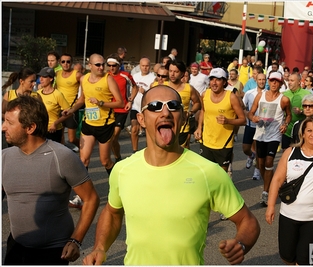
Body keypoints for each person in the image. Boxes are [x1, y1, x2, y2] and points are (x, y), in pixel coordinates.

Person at [82, 85, 260, 265]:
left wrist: (241, 244)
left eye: (173, 106)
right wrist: (100, 247)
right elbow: (112, 213)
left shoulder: (208, 172)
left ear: (182, 118)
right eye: (155, 106)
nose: (165, 112)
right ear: (141, 119)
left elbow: (248, 220)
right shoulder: (122, 170)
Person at [2, 95, 99, 265]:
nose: (3, 127)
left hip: (53, 252)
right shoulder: (4, 157)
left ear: (30, 128)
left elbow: (91, 199)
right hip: (16, 247)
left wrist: (76, 240)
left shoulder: (62, 157)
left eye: (9, 123)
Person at [265, 116, 313, 265]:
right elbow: (277, 180)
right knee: (286, 256)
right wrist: (270, 206)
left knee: (304, 258)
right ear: (303, 133)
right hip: (289, 213)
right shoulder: (290, 152)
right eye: (309, 131)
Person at [63, 53, 124, 208]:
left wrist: (102, 102)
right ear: (90, 65)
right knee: (83, 160)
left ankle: (119, 188)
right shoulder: (84, 79)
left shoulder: (108, 79)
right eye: (98, 65)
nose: (102, 67)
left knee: (105, 161)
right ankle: (81, 195)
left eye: (103, 64)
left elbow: (119, 102)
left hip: (105, 125)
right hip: (88, 124)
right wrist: (72, 110)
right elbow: (82, 99)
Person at [247, 72, 291, 206]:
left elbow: (288, 115)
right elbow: (250, 113)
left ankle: (266, 192)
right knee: (260, 164)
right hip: (260, 133)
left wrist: (285, 124)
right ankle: (269, 182)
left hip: (274, 135)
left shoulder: (284, 100)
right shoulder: (260, 96)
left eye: (276, 81)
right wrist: (253, 118)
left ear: (281, 83)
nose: (273, 83)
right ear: (268, 81)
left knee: (269, 161)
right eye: (272, 81)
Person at [194, 68, 246, 173]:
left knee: (221, 175)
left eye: (217, 79)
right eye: (212, 79)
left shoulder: (231, 97)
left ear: (224, 82)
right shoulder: (205, 94)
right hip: (206, 141)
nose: (214, 82)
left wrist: (228, 121)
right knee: (206, 173)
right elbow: (203, 111)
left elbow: (243, 120)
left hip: (224, 144)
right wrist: (199, 128)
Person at [106, 54, 137, 162]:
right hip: (109, 110)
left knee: (114, 137)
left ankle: (117, 160)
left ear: (118, 65)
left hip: (121, 110)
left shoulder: (125, 75)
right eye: (109, 65)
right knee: (111, 139)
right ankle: (117, 157)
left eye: (114, 65)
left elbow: (135, 87)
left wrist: (130, 100)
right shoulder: (106, 76)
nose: (111, 68)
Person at [164, 60, 201, 148]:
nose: (172, 74)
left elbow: (197, 103)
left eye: (176, 72)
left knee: (180, 154)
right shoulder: (162, 87)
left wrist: (190, 112)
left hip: (182, 127)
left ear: (182, 74)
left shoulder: (189, 88)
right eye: (170, 71)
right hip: (165, 126)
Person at [55, 53, 83, 152]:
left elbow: (85, 88)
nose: (66, 64)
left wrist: (79, 103)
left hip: (71, 109)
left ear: (71, 63)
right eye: (63, 62)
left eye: (68, 62)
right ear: (60, 63)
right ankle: (63, 155)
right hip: (58, 108)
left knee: (71, 139)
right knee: (59, 137)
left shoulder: (77, 74)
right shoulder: (57, 74)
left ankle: (83, 148)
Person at [242, 73, 267, 180]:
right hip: (250, 124)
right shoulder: (249, 93)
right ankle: (251, 155)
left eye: (263, 79)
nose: (261, 81)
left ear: (266, 81)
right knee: (245, 148)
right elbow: (243, 107)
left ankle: (257, 171)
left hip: (263, 127)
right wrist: (249, 115)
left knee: (259, 149)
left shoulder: (269, 94)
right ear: (255, 80)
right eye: (259, 79)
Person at [37, 67, 71, 143]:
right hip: (40, 130)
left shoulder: (57, 94)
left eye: (44, 77)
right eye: (40, 77)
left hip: (53, 131)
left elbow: (69, 112)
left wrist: (55, 123)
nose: (41, 79)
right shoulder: (38, 93)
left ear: (51, 79)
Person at [129, 57, 156, 153]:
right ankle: (134, 151)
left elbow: (154, 94)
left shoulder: (153, 78)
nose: (145, 68)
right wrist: (130, 100)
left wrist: (145, 92)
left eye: (147, 66)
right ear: (139, 66)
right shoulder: (135, 76)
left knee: (148, 131)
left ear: (150, 66)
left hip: (146, 108)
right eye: (143, 66)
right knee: (134, 129)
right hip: (135, 107)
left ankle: (147, 151)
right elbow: (131, 90)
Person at [282, 73, 311, 149]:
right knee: (286, 153)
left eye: (292, 80)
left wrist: (301, 112)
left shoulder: (307, 94)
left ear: (299, 82)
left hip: (300, 130)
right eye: (289, 80)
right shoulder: (284, 94)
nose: (289, 82)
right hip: (287, 130)